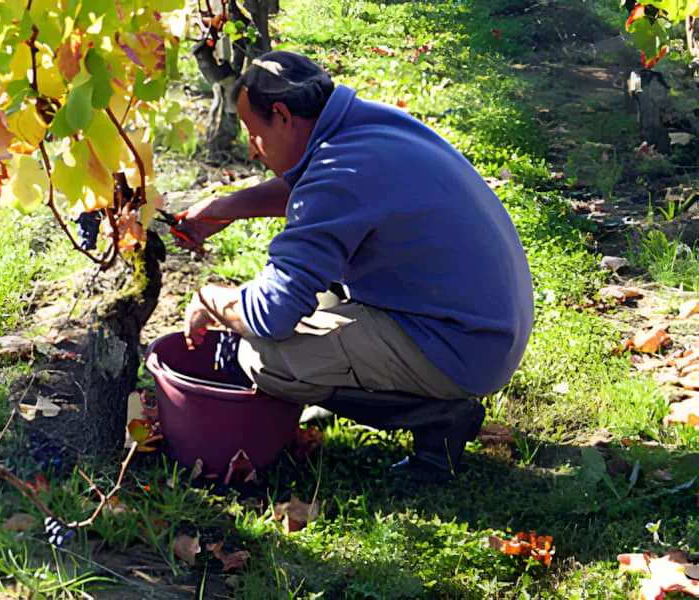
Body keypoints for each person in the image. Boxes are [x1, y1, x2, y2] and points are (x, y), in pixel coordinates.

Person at [176, 50, 534, 481]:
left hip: (459, 350)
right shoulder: (363, 126)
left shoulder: (337, 172)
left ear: (283, 115)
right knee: (316, 303)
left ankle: (439, 415)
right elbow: (316, 188)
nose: (253, 151)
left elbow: (271, 314)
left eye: (255, 134)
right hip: (482, 326)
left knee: (260, 354)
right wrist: (225, 208)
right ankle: (366, 377)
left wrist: (210, 298)